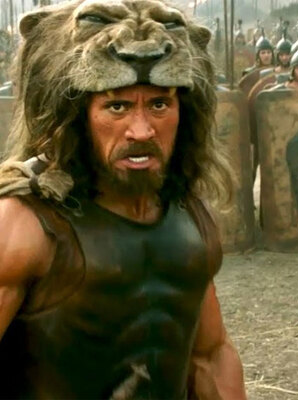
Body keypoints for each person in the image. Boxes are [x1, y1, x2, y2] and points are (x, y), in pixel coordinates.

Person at [0, 0, 247, 399]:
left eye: (159, 104)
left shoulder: (189, 215)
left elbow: (211, 356)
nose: (142, 131)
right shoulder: (24, 223)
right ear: (75, 117)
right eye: (117, 106)